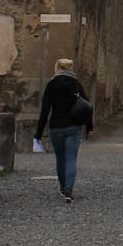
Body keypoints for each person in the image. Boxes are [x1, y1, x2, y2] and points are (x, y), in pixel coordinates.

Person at [35, 58, 93, 203]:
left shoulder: (51, 84)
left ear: (57, 68)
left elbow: (45, 110)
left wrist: (38, 133)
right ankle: (68, 190)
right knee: (71, 158)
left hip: (56, 126)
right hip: (73, 126)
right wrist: (89, 127)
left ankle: (62, 187)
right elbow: (87, 107)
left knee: (60, 158)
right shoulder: (76, 84)